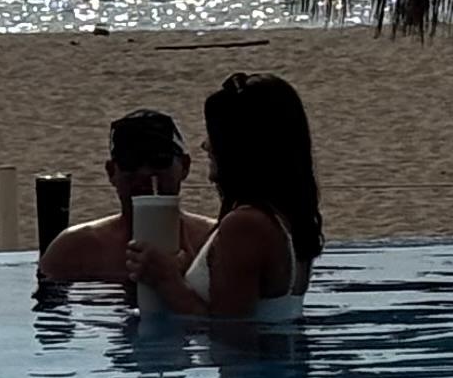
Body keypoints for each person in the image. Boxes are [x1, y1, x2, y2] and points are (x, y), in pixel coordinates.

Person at [128, 70, 317, 320]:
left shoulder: (246, 225)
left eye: (214, 135)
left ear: (238, 146)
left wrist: (166, 281)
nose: (206, 145)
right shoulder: (287, 217)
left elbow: (229, 335)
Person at [36, 110, 216, 290]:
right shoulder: (74, 249)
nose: (145, 173)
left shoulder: (212, 241)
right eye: (130, 162)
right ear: (111, 172)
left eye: (159, 160)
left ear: (184, 166)